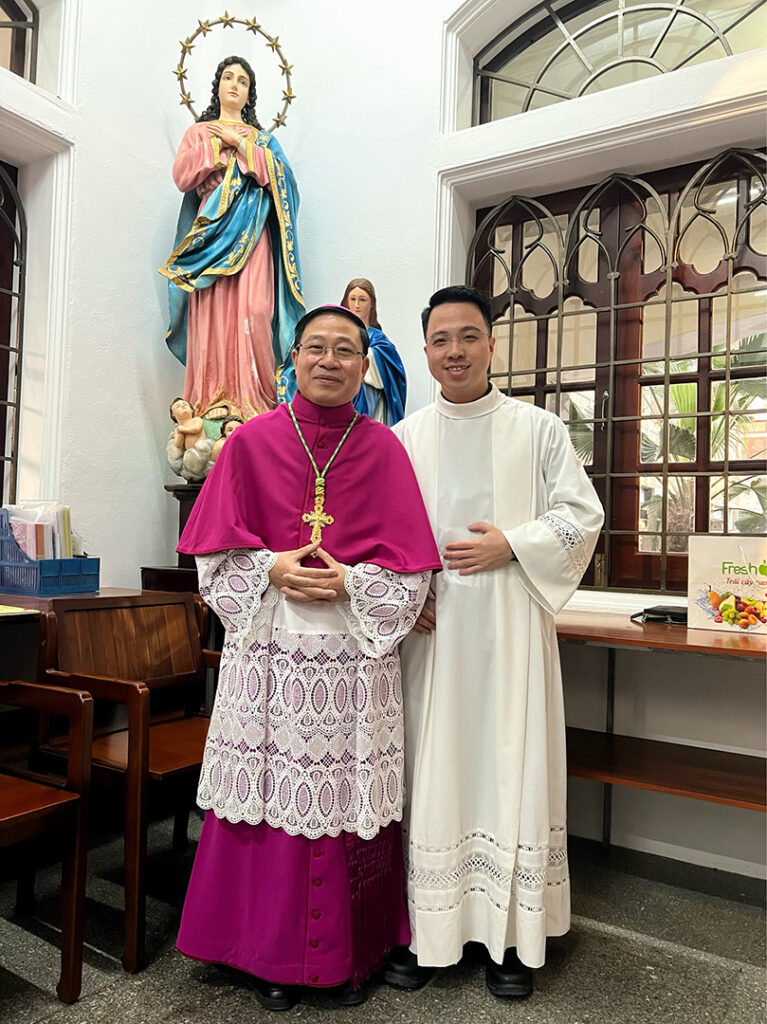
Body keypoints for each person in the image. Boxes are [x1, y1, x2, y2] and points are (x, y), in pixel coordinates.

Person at [175, 304, 441, 1011]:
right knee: (270, 796)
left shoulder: (384, 449)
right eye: (316, 347)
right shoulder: (248, 443)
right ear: (291, 359)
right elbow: (213, 561)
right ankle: (266, 955)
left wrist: (351, 579)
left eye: (345, 350)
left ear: (365, 366)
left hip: (352, 660)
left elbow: (411, 576)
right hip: (270, 654)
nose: (329, 360)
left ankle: (352, 952)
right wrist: (271, 569)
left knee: (343, 794)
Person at [388, 285, 604, 999]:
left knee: (509, 763)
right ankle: (427, 930)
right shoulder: (403, 438)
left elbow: (582, 514)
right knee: (433, 766)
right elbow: (380, 539)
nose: (455, 351)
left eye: (468, 336)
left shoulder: (536, 428)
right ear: (424, 351)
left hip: (510, 628)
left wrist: (511, 544)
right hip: (433, 635)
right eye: (441, 339)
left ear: (490, 343)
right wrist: (402, 595)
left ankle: (511, 938)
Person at [159, 55, 304, 420]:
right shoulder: (199, 133)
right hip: (211, 237)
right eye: (228, 77)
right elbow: (181, 177)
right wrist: (215, 147)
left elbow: (286, 186)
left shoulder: (264, 141)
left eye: (243, 80)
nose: (235, 84)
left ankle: (256, 407)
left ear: (250, 93)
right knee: (212, 316)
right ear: (218, 86)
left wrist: (239, 145)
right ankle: (209, 404)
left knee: (255, 312)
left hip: (254, 238)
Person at [278, 278, 406, 425]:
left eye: (362, 300)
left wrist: (368, 357)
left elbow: (393, 374)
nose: (329, 361)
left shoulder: (379, 340)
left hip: (369, 401)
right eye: (353, 299)